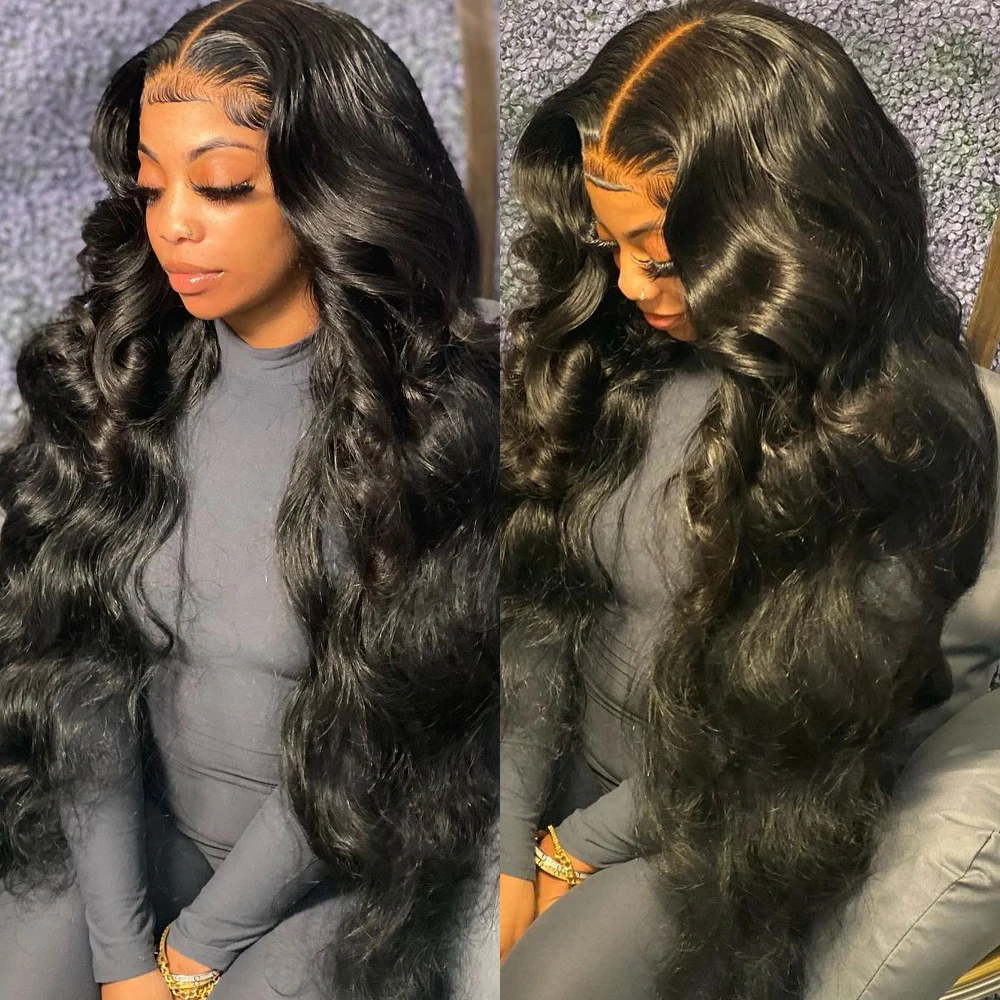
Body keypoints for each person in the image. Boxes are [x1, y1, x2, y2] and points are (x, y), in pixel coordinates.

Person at [499, 1, 1000, 998]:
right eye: (608, 244)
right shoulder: (612, 357)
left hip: (729, 814)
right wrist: (510, 834)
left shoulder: (909, 436)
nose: (627, 283)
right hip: (561, 763)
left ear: (780, 231)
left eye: (660, 255)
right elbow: (537, 608)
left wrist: (570, 851)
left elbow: (778, 729)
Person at [0, 2, 499, 999]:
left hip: (335, 864)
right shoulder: (120, 391)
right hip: (133, 840)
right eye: (151, 187)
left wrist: (192, 956)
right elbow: (79, 682)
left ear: (334, 187)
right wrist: (122, 955)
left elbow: (369, 737)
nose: (173, 223)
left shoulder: (436, 430)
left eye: (222, 186)